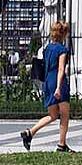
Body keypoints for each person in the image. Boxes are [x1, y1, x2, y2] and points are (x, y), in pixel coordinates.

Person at [22, 20, 75, 152]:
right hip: (58, 82)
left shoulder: (47, 49)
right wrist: (58, 87)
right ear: (64, 34)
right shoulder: (62, 49)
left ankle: (30, 132)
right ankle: (61, 144)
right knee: (64, 114)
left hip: (47, 81)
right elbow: (61, 69)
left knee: (52, 115)